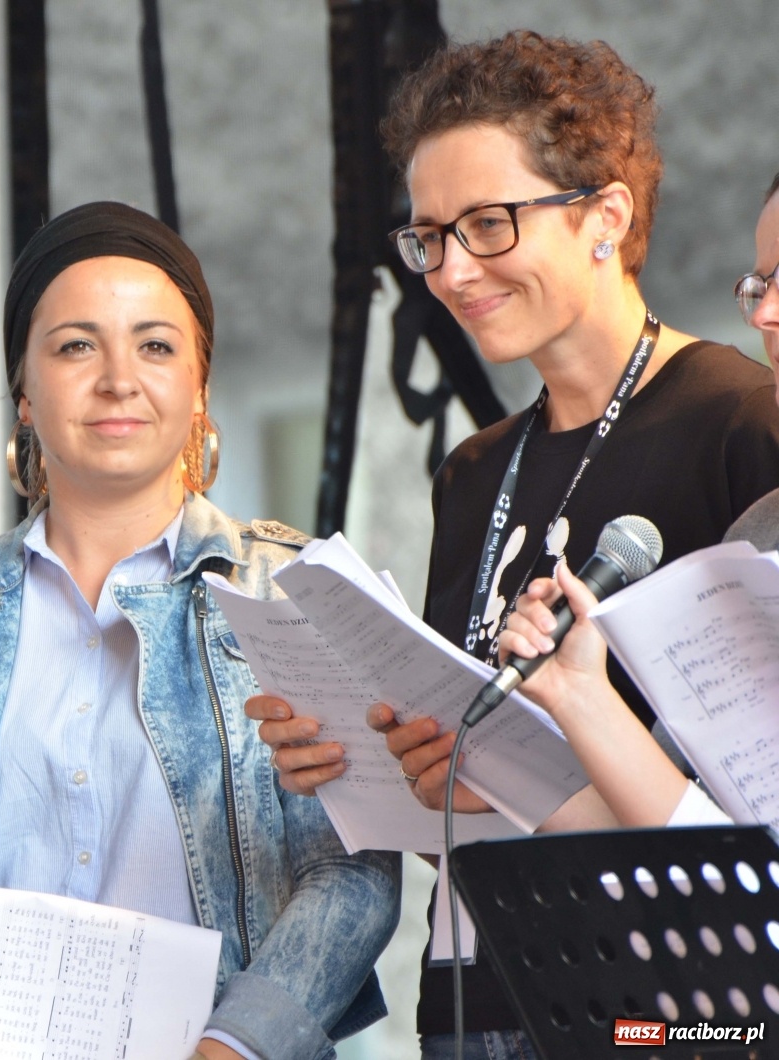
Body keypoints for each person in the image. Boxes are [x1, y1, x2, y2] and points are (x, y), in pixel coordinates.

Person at [245, 33, 779, 1059]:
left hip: (676, 1002)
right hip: (479, 981)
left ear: (604, 216)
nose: (451, 269)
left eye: (488, 225)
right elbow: (477, 755)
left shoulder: (742, 419)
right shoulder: (474, 469)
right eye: (428, 236)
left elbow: (740, 796)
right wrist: (399, 757)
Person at [0, 202, 400, 1060]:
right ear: (23, 391)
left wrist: (233, 1047)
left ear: (200, 388)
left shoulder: (296, 592)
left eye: (156, 345)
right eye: (75, 345)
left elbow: (356, 871)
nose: (118, 378)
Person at [481, 170, 779, 831]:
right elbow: (697, 834)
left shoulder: (736, 420)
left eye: (489, 225)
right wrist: (574, 694)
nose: (765, 313)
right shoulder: (762, 529)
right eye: (760, 285)